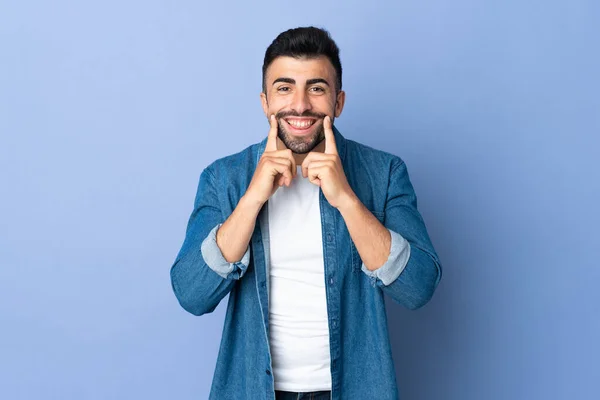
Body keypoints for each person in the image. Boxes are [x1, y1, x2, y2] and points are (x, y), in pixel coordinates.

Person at [170, 26, 442, 400]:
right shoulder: (224, 178)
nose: (300, 105)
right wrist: (252, 199)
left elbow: (417, 288)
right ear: (265, 102)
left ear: (338, 102)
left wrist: (346, 198)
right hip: (255, 390)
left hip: (354, 389)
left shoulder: (384, 173)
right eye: (284, 88)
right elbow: (192, 293)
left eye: (316, 88)